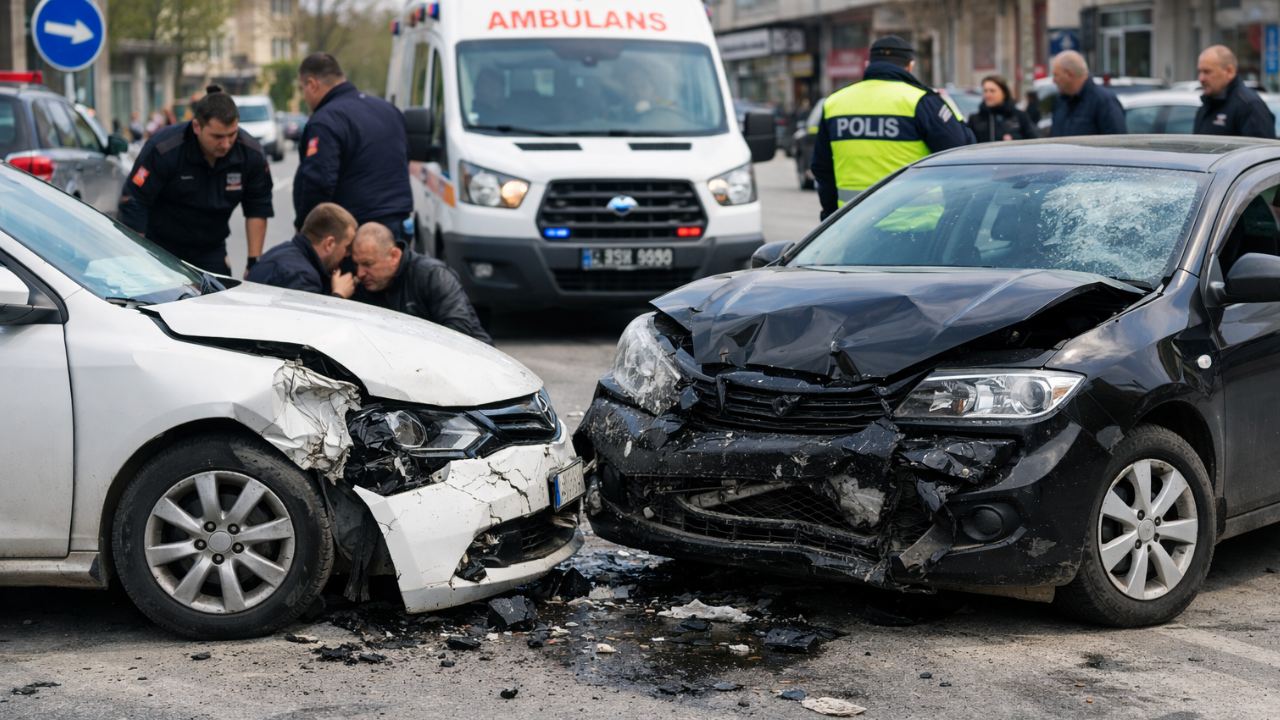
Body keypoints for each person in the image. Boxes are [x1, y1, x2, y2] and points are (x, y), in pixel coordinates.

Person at [810, 35, 974, 220]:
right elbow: (963, 155)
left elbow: (821, 167)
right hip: (914, 226)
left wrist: (833, 219)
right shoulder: (921, 101)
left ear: (867, 65)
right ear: (910, 66)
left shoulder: (835, 102)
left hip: (852, 227)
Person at [120, 85, 273, 275]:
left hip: (211, 248)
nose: (226, 144)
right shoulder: (163, 149)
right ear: (196, 127)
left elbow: (258, 206)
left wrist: (253, 263)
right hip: (160, 245)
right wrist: (138, 259)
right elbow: (135, 201)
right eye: (217, 136)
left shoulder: (251, 153)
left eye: (231, 134)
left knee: (219, 299)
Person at [293, 53, 415, 242]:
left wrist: (305, 229)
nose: (304, 96)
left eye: (303, 89)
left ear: (312, 84)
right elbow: (403, 159)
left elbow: (319, 183)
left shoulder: (325, 120)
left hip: (353, 233)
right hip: (396, 227)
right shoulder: (388, 110)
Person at [349, 223, 493, 344]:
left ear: (394, 256)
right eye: (356, 264)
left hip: (473, 363)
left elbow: (459, 329)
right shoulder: (364, 289)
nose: (360, 273)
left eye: (368, 264)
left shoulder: (432, 275)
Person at [246, 202, 357, 297]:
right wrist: (338, 294)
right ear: (329, 244)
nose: (347, 254)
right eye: (347, 247)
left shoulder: (285, 251)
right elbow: (308, 321)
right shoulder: (302, 276)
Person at [1194, 45, 1276, 139]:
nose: (1201, 78)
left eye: (1207, 72)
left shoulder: (1249, 106)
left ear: (1229, 71)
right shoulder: (1208, 104)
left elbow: (1262, 152)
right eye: (1199, 72)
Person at [1049, 51, 1126, 137]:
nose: (1054, 80)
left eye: (1056, 75)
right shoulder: (1061, 101)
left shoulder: (1104, 101)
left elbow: (1117, 144)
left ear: (1069, 74)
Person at [968, 75, 1038, 143]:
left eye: (992, 91)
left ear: (1004, 93)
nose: (988, 94)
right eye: (985, 91)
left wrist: (1014, 139)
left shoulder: (1019, 116)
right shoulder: (975, 120)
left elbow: (1035, 140)